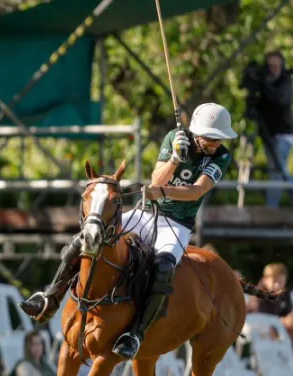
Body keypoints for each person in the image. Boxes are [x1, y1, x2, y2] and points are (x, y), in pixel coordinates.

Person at [20, 103, 237, 360]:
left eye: (218, 139)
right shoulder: (174, 138)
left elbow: (196, 191)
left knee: (164, 268)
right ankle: (50, 298)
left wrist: (165, 192)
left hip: (177, 225)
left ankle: (135, 334)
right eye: (210, 139)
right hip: (146, 213)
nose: (214, 144)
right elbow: (157, 179)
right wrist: (176, 158)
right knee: (86, 239)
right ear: (196, 133)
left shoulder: (221, 156)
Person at [249, 51, 293, 208]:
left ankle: (271, 208)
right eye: (269, 66)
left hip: (283, 136)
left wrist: (264, 83)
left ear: (282, 66)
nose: (272, 69)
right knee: (276, 170)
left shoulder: (285, 81)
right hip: (269, 135)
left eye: (275, 66)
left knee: (277, 170)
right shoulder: (263, 84)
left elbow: (280, 100)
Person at [246, 262, 293, 340]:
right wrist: (283, 321)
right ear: (265, 280)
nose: (277, 285)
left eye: (280, 282)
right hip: (259, 332)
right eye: (274, 281)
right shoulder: (258, 295)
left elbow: (287, 313)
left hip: (278, 330)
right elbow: (260, 318)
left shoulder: (284, 294)